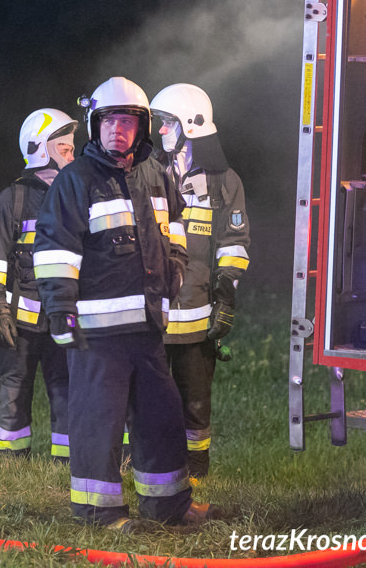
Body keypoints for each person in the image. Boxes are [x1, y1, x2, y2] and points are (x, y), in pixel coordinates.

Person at [32, 76, 217, 530]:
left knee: (160, 417)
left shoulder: (155, 174)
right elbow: (55, 250)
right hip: (97, 333)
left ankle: (168, 504)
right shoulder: (76, 180)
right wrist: (60, 311)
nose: (118, 130)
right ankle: (99, 512)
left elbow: (175, 229)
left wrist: (174, 268)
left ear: (142, 128)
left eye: (128, 122)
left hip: (148, 328)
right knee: (99, 423)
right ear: (97, 126)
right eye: (110, 120)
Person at [149, 83, 250, 478]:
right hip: (153, 310)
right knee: (148, 393)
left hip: (196, 311)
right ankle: (143, 459)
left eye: (166, 123)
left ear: (190, 125)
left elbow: (234, 244)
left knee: (195, 398)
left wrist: (225, 299)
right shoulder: (149, 173)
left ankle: (196, 467)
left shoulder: (226, 182)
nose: (159, 132)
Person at [0, 108, 76, 460]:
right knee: (14, 388)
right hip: (19, 322)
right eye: (65, 148)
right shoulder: (12, 200)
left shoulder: (77, 196)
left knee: (67, 389)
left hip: (65, 317)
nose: (73, 155)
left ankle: (68, 459)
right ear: (41, 149)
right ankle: (11, 460)